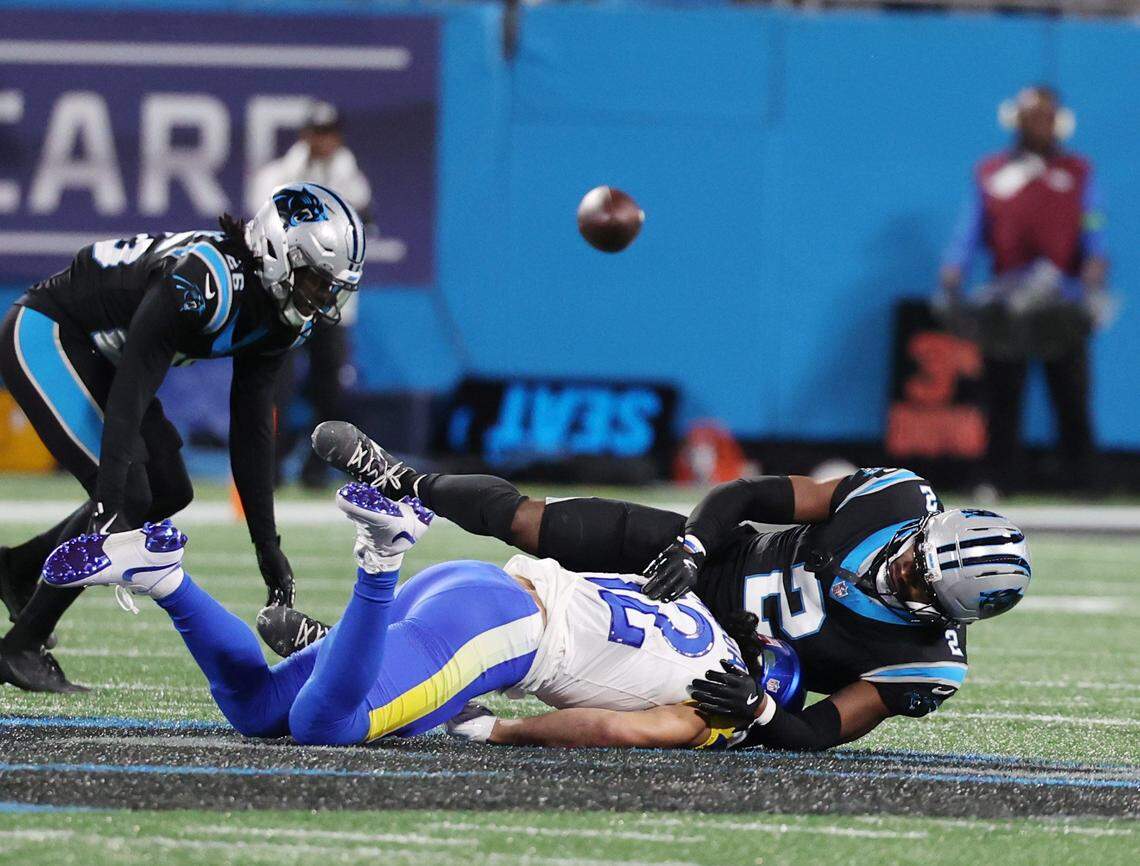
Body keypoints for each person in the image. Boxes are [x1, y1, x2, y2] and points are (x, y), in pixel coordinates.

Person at [278, 422, 1031, 751]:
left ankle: (361, 658)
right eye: (914, 555)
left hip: (716, 667)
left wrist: (764, 708)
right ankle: (400, 476)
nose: (900, 566)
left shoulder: (928, 662)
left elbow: (821, 734)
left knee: (551, 665)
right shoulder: (896, 499)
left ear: (946, 610)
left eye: (916, 581)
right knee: (533, 525)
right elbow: (750, 494)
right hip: (703, 561)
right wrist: (698, 546)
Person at [38, 482, 800, 750]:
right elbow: (620, 729)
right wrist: (496, 728)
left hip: (478, 583)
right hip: (504, 634)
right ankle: (381, 554)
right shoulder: (720, 711)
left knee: (260, 708)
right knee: (322, 728)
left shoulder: (694, 604)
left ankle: (164, 575)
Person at [0, 183, 366, 693]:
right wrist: (107, 502)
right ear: (281, 254)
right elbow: (131, 388)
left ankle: (20, 570)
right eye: (316, 281)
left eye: (332, 287)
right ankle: (20, 645)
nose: (323, 297)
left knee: (170, 490)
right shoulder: (204, 279)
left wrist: (266, 542)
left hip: (107, 358)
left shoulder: (281, 316)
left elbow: (253, 426)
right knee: (130, 495)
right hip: (50, 333)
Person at [939, 85, 1109, 494]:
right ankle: (999, 478)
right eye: (1031, 115)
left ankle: (1081, 480)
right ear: (1016, 119)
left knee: (1070, 392)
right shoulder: (992, 171)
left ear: (1058, 122)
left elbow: (1093, 221)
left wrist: (1096, 256)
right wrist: (954, 266)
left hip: (1060, 298)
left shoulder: (1079, 171)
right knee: (1003, 395)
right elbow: (972, 224)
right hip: (1007, 300)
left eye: (1046, 116)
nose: (1039, 124)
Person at [248, 101, 372, 489]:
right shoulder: (274, 176)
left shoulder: (353, 181)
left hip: (331, 303)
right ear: (305, 134)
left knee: (329, 387)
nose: (323, 141)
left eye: (329, 133)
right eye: (317, 133)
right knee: (277, 386)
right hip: (283, 299)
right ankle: (269, 465)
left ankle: (318, 467)